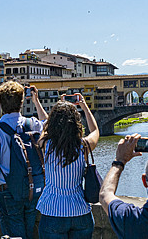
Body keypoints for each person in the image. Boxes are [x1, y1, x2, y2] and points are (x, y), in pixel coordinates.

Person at [0, 81, 47, 238]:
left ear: (1, 104)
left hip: (9, 193)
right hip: (33, 191)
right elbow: (48, 123)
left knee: (13, 236)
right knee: (29, 233)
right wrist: (36, 101)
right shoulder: (33, 124)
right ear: (22, 102)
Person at [36, 93, 99, 239]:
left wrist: (58, 109)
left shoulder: (46, 144)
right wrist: (83, 106)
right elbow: (95, 131)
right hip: (80, 212)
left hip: (52, 211)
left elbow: (45, 125)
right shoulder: (83, 146)